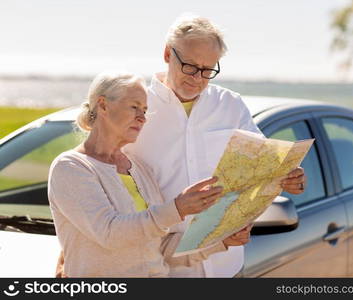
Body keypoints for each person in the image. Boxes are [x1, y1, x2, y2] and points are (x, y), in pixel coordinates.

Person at [123, 15, 307, 277]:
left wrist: (291, 176)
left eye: (208, 70)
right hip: (165, 270)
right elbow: (100, 175)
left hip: (228, 266)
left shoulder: (230, 105)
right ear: (167, 54)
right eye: (190, 66)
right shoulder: (136, 108)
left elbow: (266, 163)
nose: (198, 78)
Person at [48, 72, 248, 277]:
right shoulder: (71, 167)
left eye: (144, 110)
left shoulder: (139, 169)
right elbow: (110, 234)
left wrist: (219, 241)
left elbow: (159, 249)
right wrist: (177, 208)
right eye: (134, 107)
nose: (142, 118)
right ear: (103, 105)